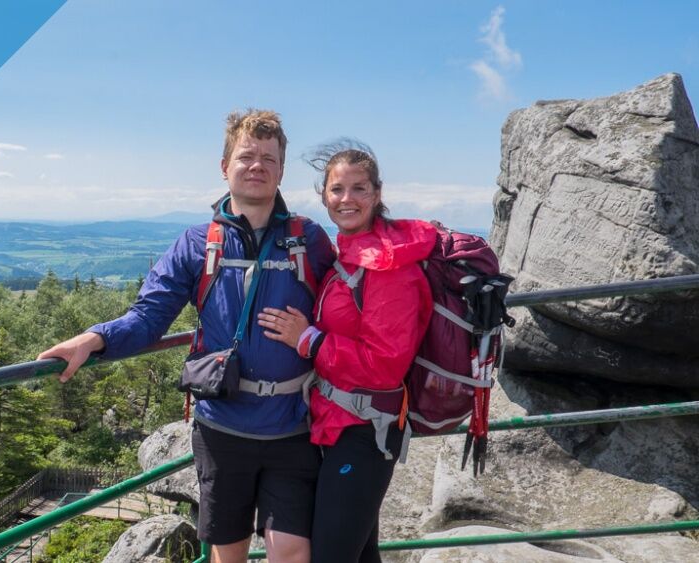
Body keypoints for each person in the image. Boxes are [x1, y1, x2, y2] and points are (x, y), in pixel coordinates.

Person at [37, 109, 334, 563]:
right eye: (246, 156)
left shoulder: (309, 241)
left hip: (291, 426)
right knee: (227, 553)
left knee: (292, 552)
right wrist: (95, 338)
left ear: (280, 172)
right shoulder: (197, 244)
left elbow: (345, 312)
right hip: (222, 428)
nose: (257, 166)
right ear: (225, 166)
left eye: (269, 159)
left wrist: (309, 335)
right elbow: (148, 316)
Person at [257, 142, 435, 563]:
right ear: (324, 196)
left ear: (377, 193)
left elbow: (385, 366)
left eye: (359, 188)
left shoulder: (389, 267)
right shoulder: (352, 255)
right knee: (360, 553)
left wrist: (309, 340)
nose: (347, 199)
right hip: (340, 424)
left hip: (364, 431)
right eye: (337, 189)